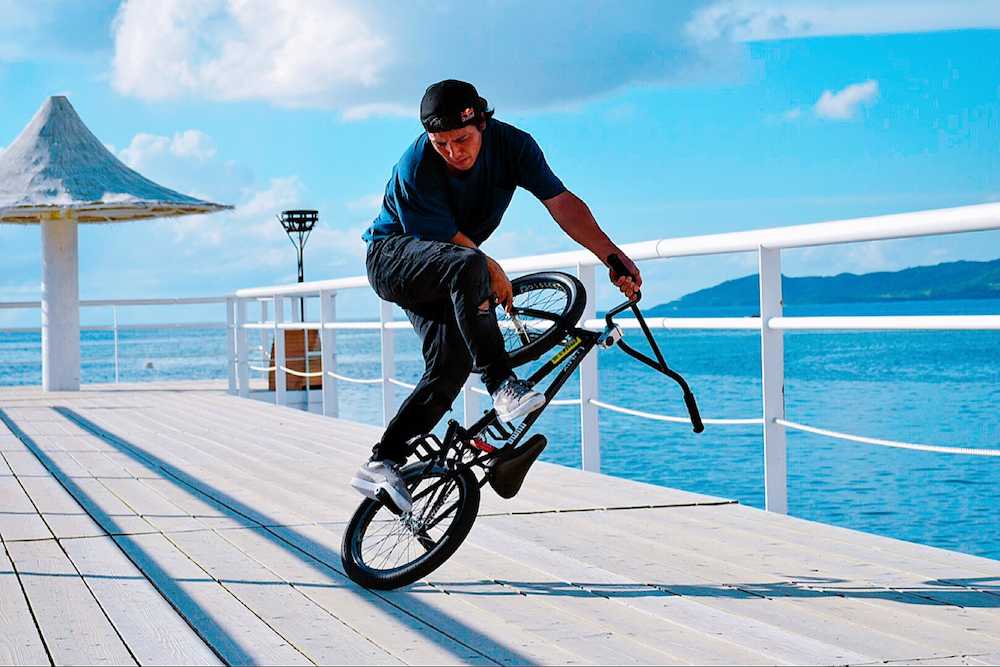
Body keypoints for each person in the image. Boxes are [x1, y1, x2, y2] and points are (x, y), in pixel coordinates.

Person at [351, 79, 641, 514]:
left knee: (449, 368)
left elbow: (561, 203)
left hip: (447, 268)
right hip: (393, 257)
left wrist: (612, 256)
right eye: (441, 143)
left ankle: (382, 460)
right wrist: (488, 266)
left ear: (482, 124)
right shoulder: (416, 164)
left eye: (462, 140)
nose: (453, 152)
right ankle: (502, 385)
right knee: (468, 265)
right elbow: (446, 244)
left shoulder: (514, 147)